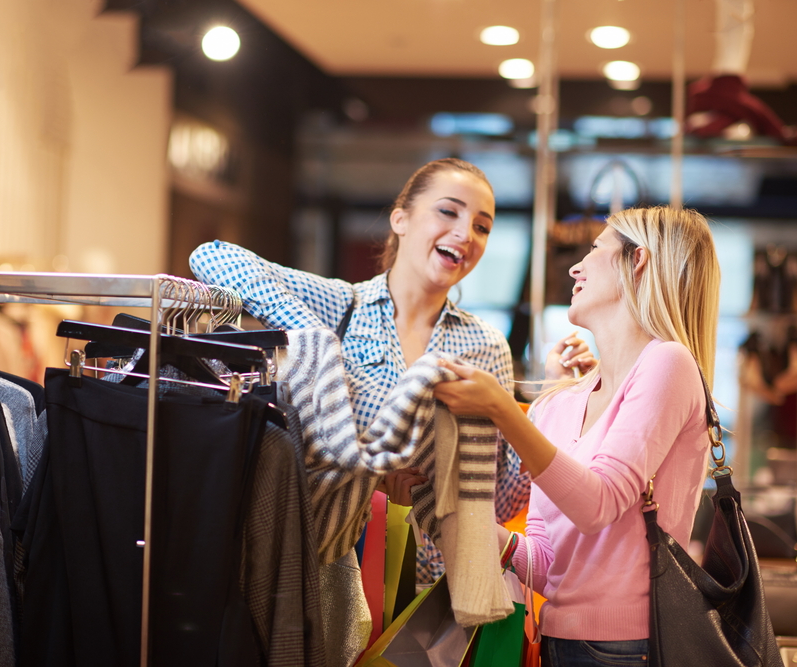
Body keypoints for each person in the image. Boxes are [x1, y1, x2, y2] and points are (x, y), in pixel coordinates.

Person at [189, 158, 593, 661]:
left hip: (430, 588)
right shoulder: (342, 307)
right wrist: (316, 341)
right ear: (400, 218)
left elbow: (499, 503)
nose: (465, 233)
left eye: (483, 226)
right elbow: (213, 257)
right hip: (333, 559)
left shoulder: (484, 346)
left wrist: (551, 395)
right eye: (448, 211)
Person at [434, 205, 721, 667]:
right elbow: (549, 566)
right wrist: (465, 523)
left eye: (594, 248)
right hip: (558, 643)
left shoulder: (668, 364)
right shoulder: (557, 403)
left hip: (634, 649)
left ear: (638, 259)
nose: (574, 265)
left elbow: (598, 504)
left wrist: (503, 409)